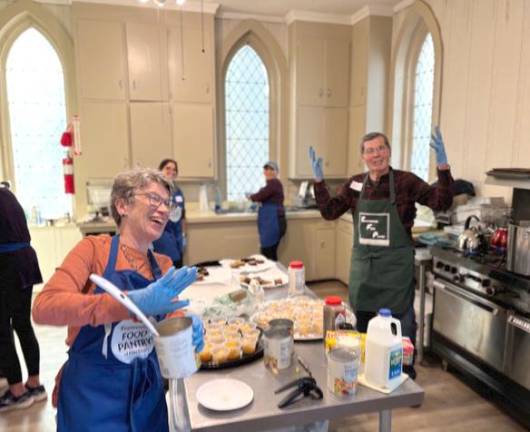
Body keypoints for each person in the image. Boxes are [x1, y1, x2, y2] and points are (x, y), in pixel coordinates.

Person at [32, 168, 203, 432]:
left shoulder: (163, 264)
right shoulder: (92, 250)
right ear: (122, 205)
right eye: (154, 199)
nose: (163, 210)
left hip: (147, 399)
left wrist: (185, 326)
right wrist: (126, 304)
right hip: (93, 399)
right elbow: (44, 307)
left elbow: (168, 320)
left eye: (166, 203)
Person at [309, 128, 453, 378]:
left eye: (381, 148)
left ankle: (404, 373)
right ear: (363, 157)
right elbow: (329, 212)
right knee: (363, 322)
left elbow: (442, 202)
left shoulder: (406, 181)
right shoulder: (355, 184)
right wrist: (320, 184)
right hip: (365, 268)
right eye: (370, 150)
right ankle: (367, 369)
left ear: (389, 151)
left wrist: (442, 166)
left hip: (396, 269)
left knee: (403, 323)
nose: (376, 155)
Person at [0, 183, 47, 412]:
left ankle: (17, 391)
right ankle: (35, 384)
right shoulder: (6, 193)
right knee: (22, 323)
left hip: (6, 264)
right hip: (25, 260)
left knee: (1, 329)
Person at [247, 161, 287, 261]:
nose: (268, 171)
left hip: (274, 223)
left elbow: (260, 196)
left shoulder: (274, 183)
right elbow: (263, 193)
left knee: (267, 254)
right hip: (272, 222)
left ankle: (274, 275)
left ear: (276, 172)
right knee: (270, 255)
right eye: (266, 169)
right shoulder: (270, 185)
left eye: (271, 169)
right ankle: (275, 275)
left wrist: (251, 196)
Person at [153, 159, 186, 268]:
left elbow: (182, 216)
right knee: (165, 271)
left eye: (174, 169)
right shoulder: (155, 191)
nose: (171, 171)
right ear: (160, 170)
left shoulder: (178, 191)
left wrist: (184, 235)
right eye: (167, 168)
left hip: (177, 237)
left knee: (178, 270)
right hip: (162, 238)